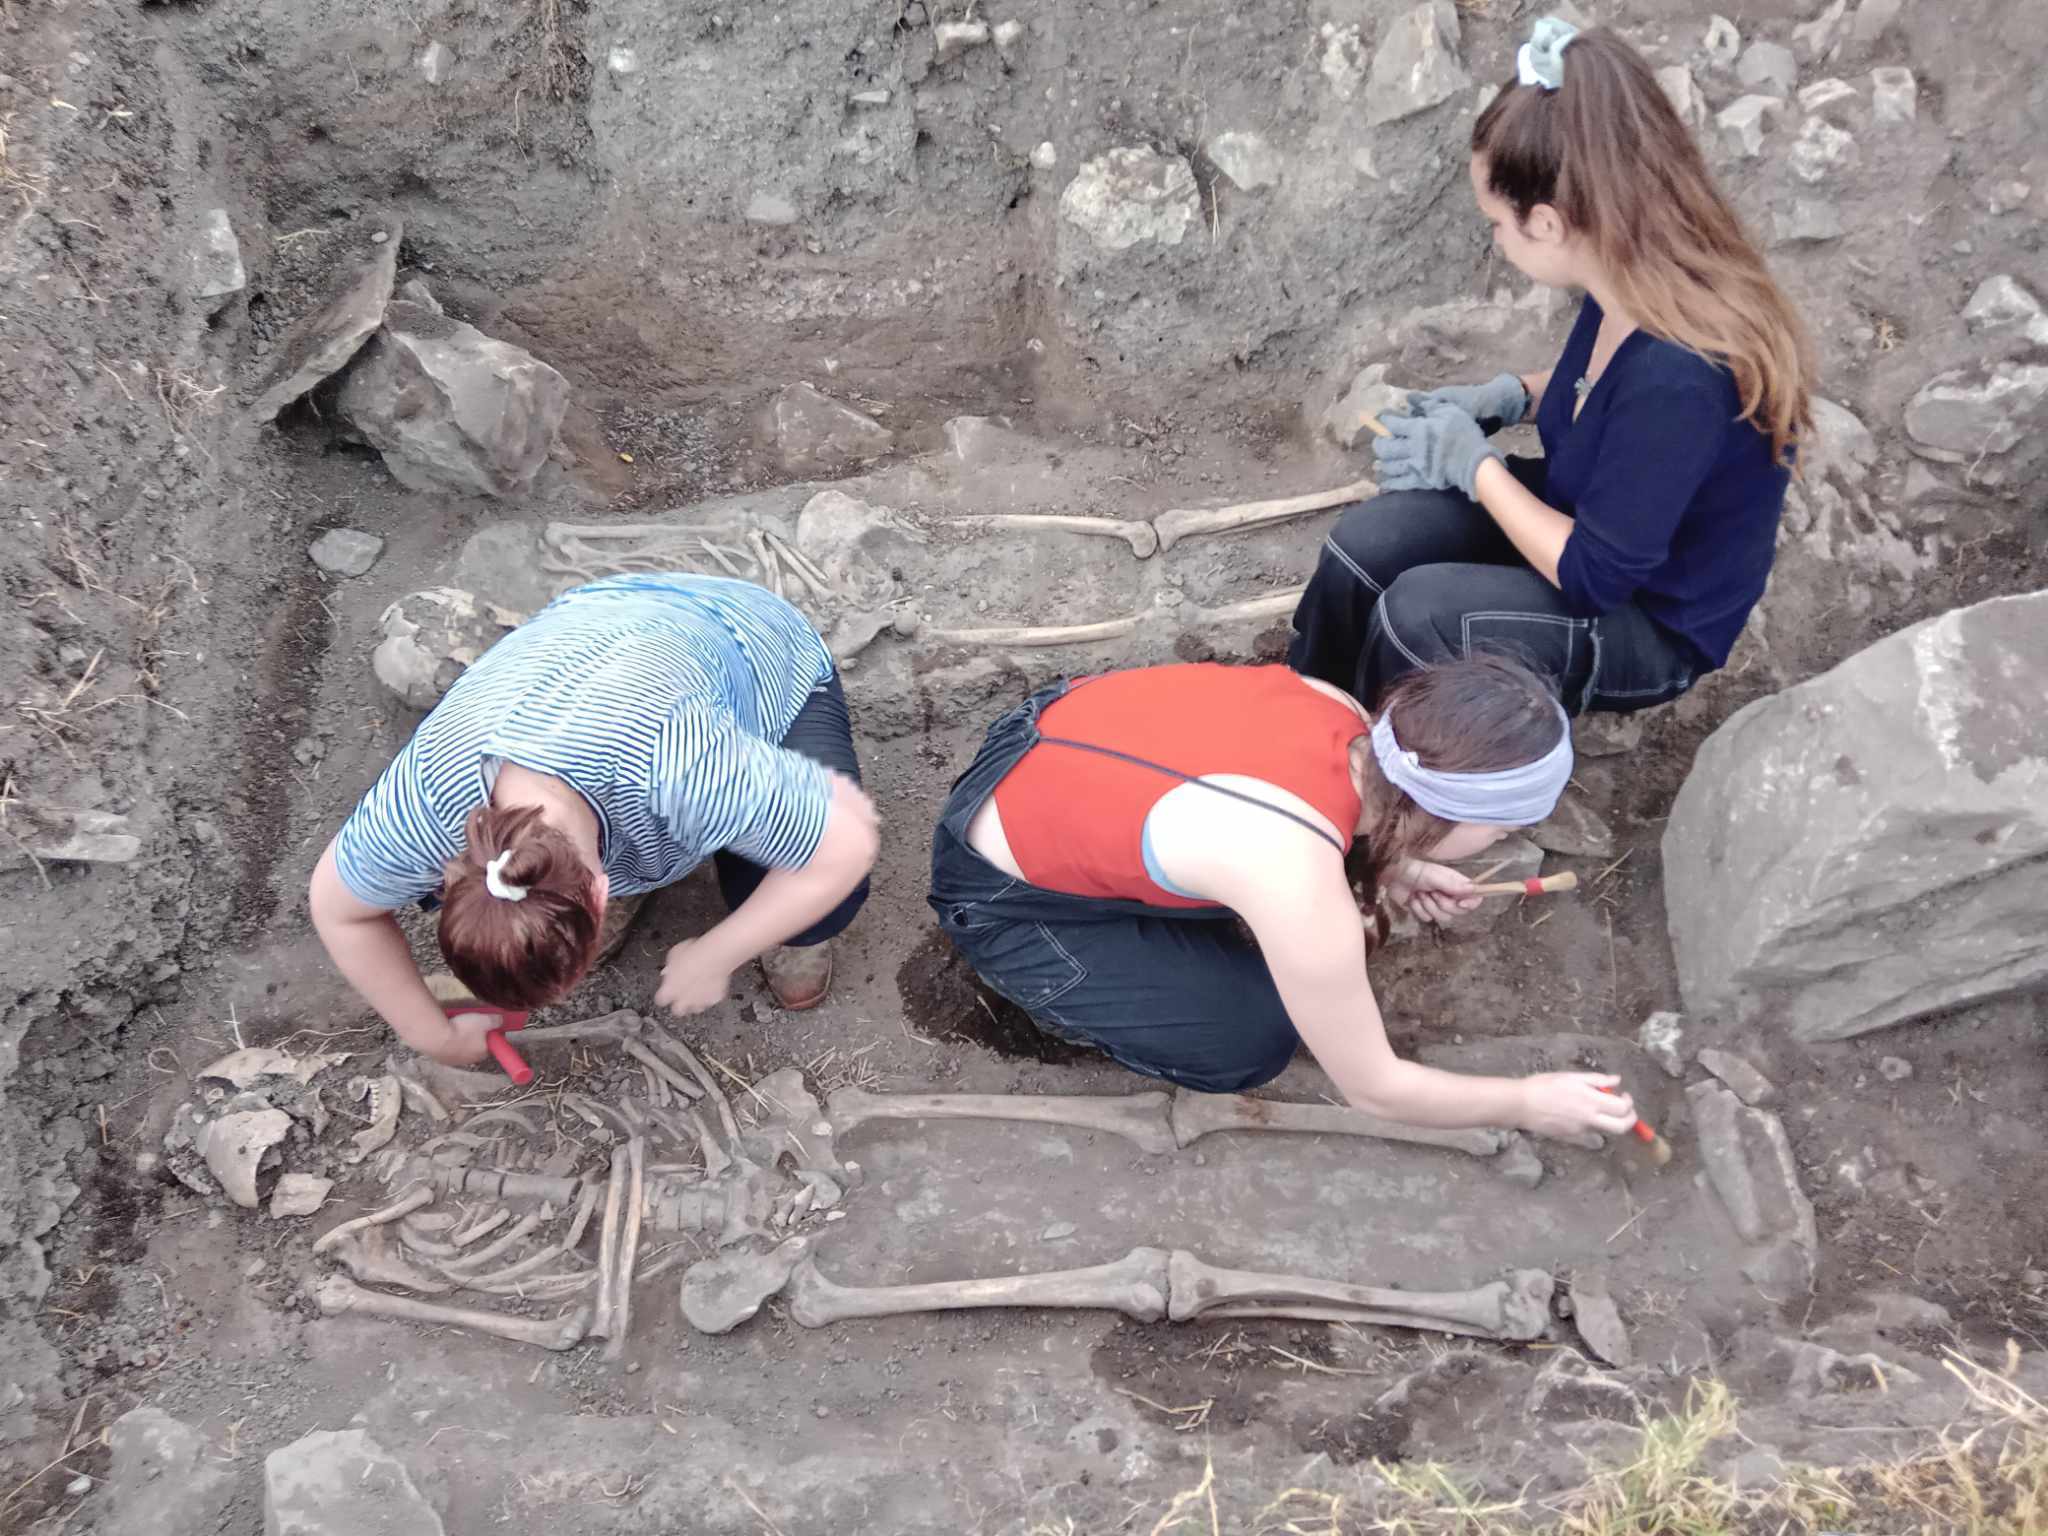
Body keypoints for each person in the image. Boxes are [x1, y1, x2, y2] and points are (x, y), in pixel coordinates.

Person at [1289, 18, 1815, 715]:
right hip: (1584, 511)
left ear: (1546, 223)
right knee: (1366, 547)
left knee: (1419, 618)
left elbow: (1596, 575)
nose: (1496, 239)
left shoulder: (1682, 374)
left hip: (1647, 617)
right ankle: (1303, 716)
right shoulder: (1630, 269)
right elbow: (1601, 390)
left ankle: (1382, 764)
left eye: (1497, 223)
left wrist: (1474, 466)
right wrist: (1509, 396)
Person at [926, 654, 1639, 1142]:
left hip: (1039, 738)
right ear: (1449, 814)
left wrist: (1397, 866)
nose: (1504, 840)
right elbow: (1378, 1088)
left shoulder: (1336, 707)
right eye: (1504, 827)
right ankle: (1047, 995)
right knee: (1247, 1038)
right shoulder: (1297, 883)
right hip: (1002, 898)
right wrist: (1527, 1102)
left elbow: (1310, 803)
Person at [309, 572, 880, 1065]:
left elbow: (846, 844)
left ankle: (795, 933)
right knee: (702, 828)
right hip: (588, 643)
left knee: (805, 887)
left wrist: (718, 952)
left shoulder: (677, 767)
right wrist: (431, 1034)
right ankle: (636, 873)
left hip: (753, 648)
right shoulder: (426, 804)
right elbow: (339, 910)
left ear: (602, 891)